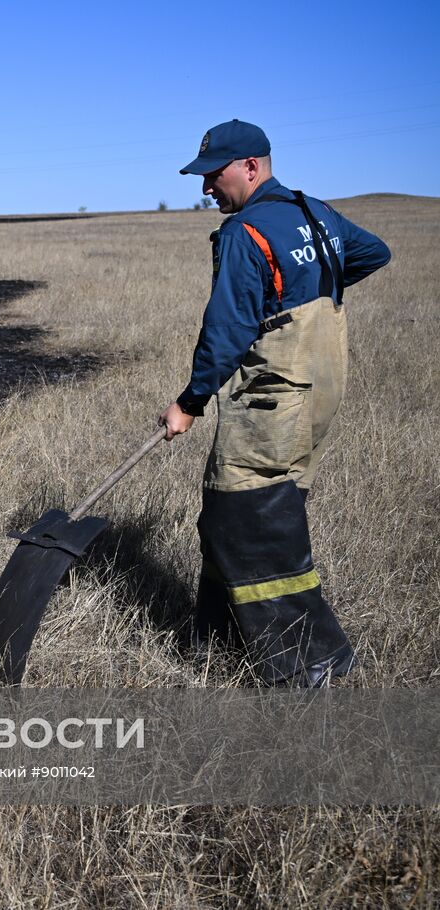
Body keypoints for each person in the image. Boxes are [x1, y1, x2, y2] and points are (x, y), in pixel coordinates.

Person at [160, 120, 391, 686]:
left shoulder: (245, 232)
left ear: (251, 167)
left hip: (275, 398)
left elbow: (227, 330)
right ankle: (217, 641)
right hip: (319, 390)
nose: (207, 188)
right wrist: (304, 289)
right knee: (247, 509)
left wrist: (189, 403)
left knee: (250, 518)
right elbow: (374, 253)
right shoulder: (314, 212)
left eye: (214, 176)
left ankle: (311, 663)